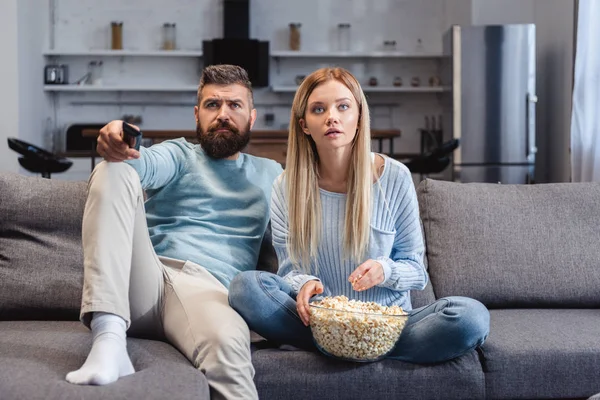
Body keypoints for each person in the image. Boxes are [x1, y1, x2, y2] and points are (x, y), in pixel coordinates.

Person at [228, 67, 490, 364]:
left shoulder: (394, 177)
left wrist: (385, 270)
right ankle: (350, 347)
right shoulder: (286, 187)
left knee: (471, 317)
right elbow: (289, 272)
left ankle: (352, 347)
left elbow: (416, 271)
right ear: (304, 125)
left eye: (343, 106)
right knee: (245, 288)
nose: (332, 117)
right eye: (318, 109)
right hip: (318, 323)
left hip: (389, 325)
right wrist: (303, 284)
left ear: (359, 116)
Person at [65, 64, 282, 400]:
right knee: (116, 170)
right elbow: (142, 162)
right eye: (212, 105)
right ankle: (108, 339)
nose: (223, 114)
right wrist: (118, 145)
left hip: (208, 293)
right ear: (197, 114)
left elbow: (297, 240)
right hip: (143, 281)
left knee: (228, 347)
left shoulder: (272, 174)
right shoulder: (179, 154)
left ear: (251, 117)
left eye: (235, 105)